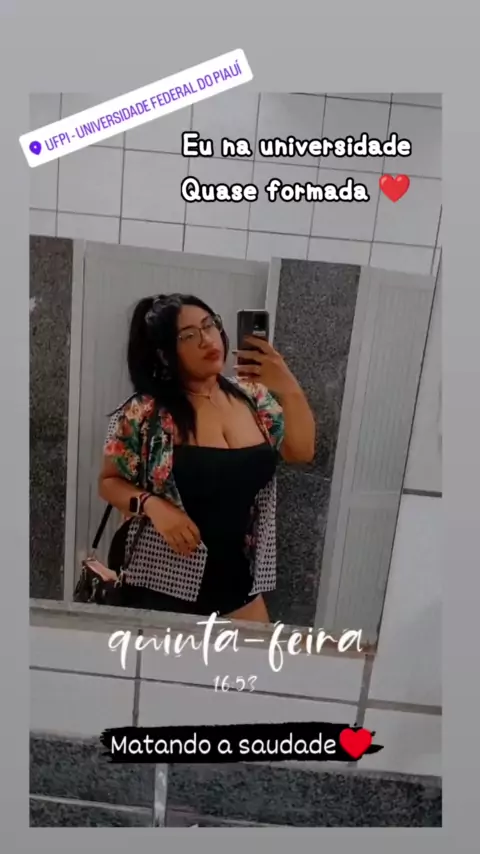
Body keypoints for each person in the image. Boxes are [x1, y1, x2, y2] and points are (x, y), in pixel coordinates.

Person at [98, 293, 315, 623]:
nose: (207, 340)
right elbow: (108, 482)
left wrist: (288, 386)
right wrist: (153, 506)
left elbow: (301, 452)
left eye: (209, 325)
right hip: (161, 585)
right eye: (188, 335)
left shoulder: (253, 398)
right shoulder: (143, 412)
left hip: (238, 583)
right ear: (165, 354)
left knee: (257, 658)